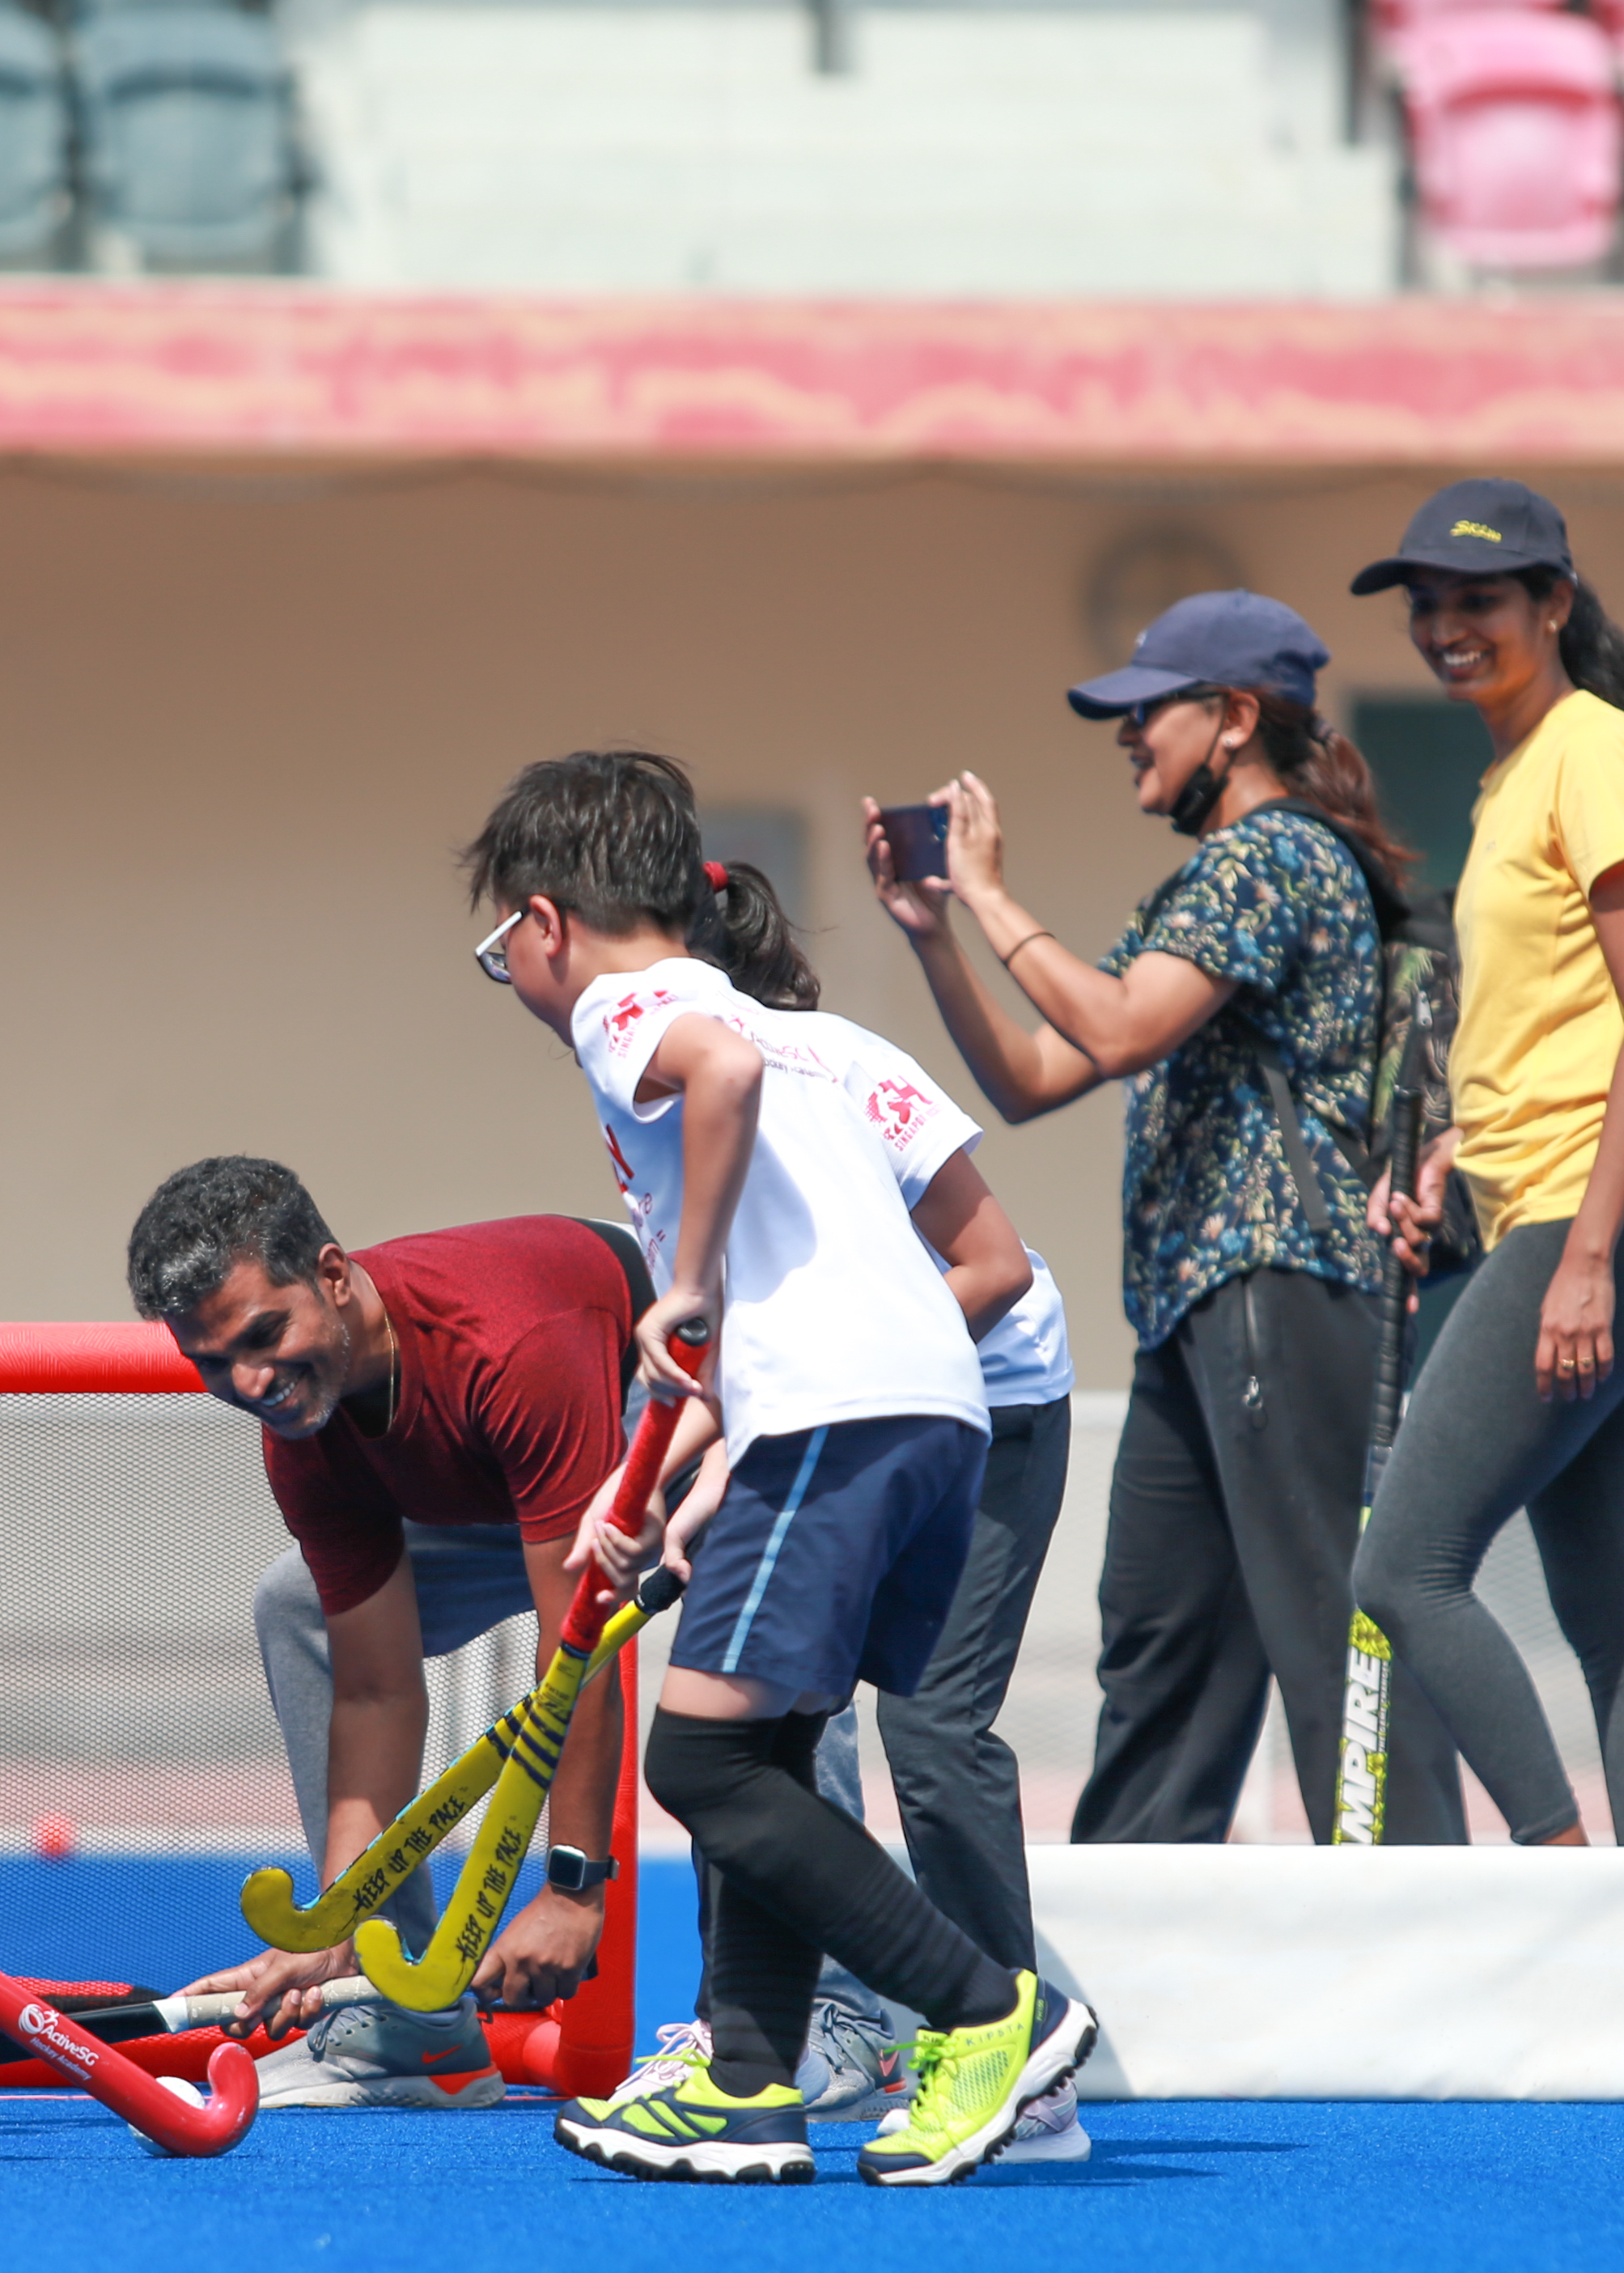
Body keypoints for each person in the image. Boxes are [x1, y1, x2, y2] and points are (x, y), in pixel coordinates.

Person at [464, 748, 1096, 2189]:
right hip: (932, 1415)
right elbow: (869, 1277)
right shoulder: (830, 1044)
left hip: (834, 1417)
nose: (508, 971)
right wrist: (676, 1498)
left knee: (693, 1754)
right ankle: (745, 2080)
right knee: (764, 1747)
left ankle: (991, 2011)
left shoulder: (638, 1010)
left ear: (549, 920)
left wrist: (672, 1283)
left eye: (501, 943)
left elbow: (720, 1138)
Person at [867, 593, 1469, 1848]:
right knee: (1160, 1654)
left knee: (1328, 1636)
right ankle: (1138, 1971)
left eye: (1151, 711)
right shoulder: (1207, 884)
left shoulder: (1278, 855)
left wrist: (987, 894)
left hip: (1280, 1285)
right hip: (1200, 1314)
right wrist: (936, 936)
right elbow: (1039, 1076)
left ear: (1236, 719)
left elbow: (1124, 1026)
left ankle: (1413, 1926)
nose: (1128, 735)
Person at [678, 864, 1092, 2159]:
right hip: (832, 1411)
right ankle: (771, 2041)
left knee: (926, 1729)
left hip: (986, 1405)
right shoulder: (677, 1100)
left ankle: (1017, 2066)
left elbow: (995, 1266)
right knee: (747, 1714)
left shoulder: (818, 1064)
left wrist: (822, 1378)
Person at [1347, 479, 1624, 1848]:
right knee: (1609, 1606)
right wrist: (1463, 1151)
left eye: (1479, 600)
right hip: (1586, 1202)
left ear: (1552, 603)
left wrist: (1576, 1256)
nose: (1446, 627)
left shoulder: (1588, 747)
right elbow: (1550, 1019)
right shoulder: (1516, 768)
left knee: (1401, 1564)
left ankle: (1560, 1883)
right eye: (1426, 606)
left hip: (1604, 1214)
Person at [128, 1160, 651, 2109]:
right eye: (212, 1364)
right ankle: (413, 2021)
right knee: (298, 1604)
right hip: (513, 1488)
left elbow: (576, 1643)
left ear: (333, 1275)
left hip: (676, 1432)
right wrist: (332, 1922)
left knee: (757, 1641)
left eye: (263, 1334)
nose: (248, 1381)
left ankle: (826, 2015)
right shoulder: (301, 1426)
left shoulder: (509, 1344)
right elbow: (376, 1689)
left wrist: (574, 1890)